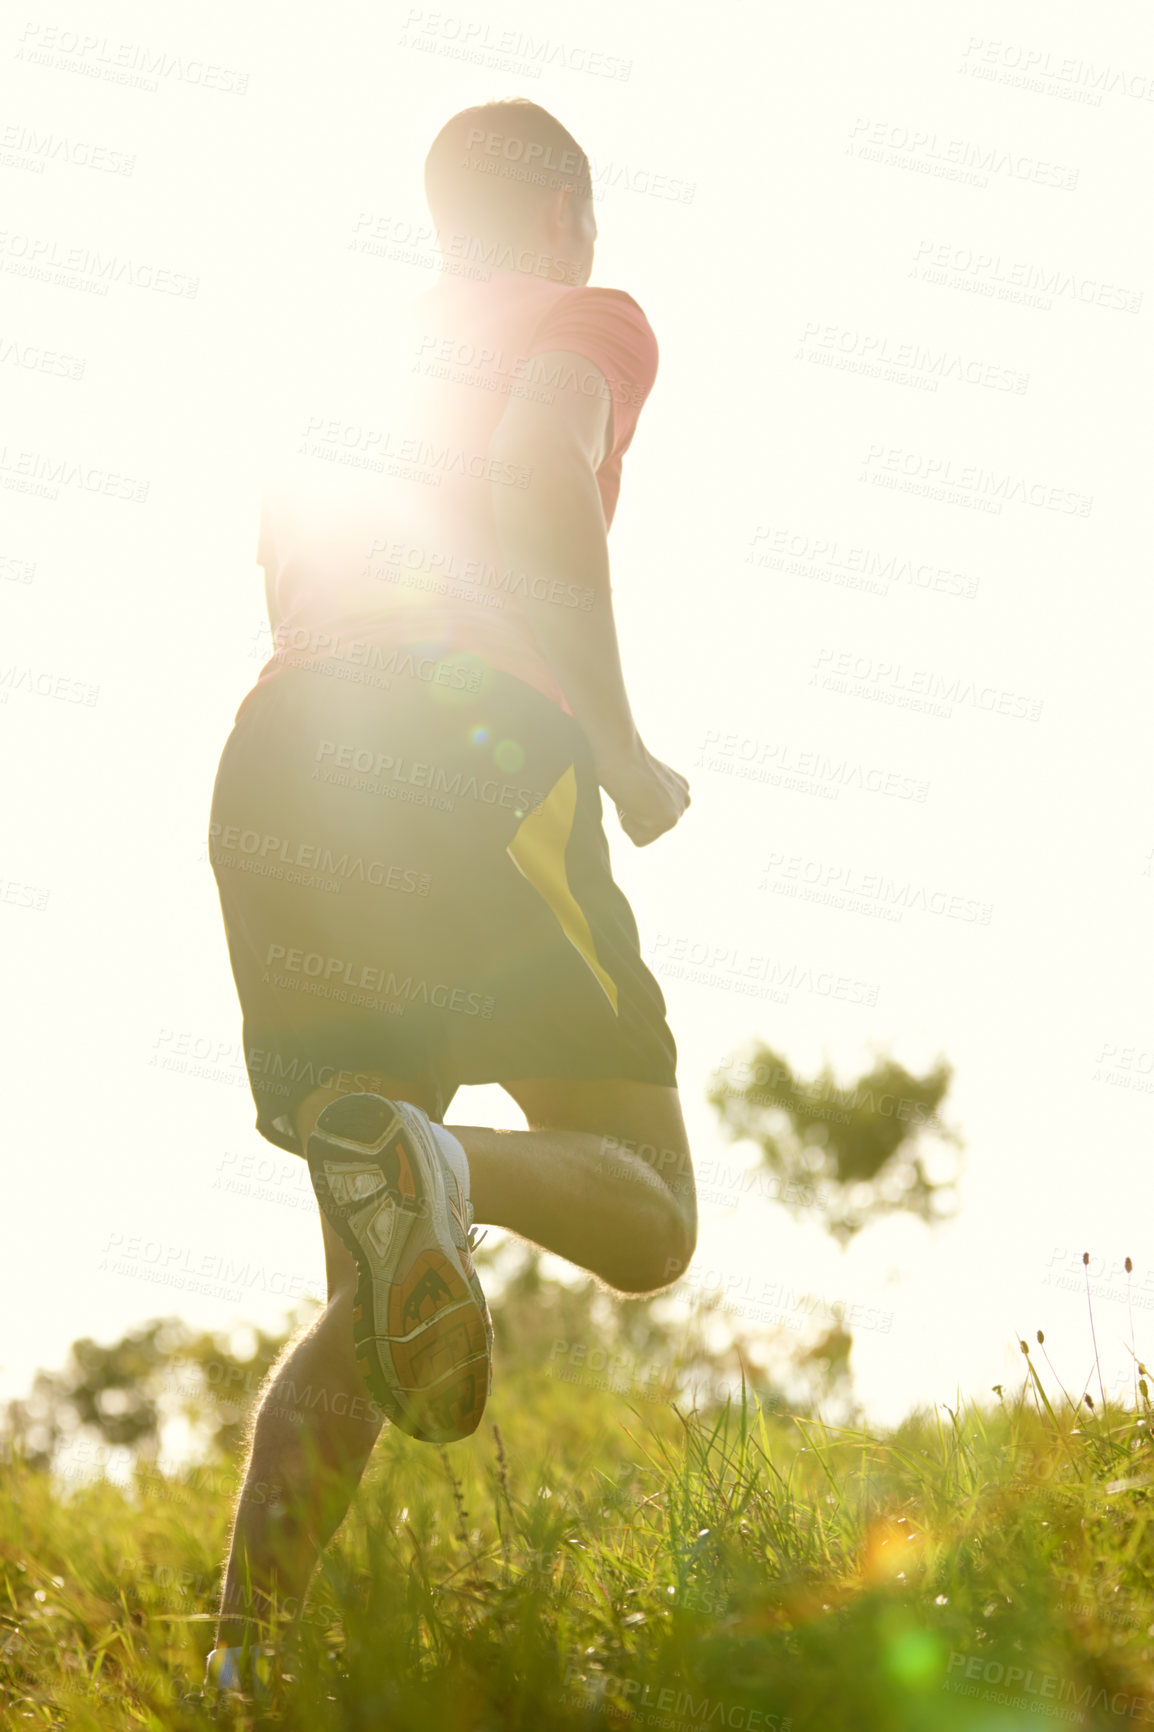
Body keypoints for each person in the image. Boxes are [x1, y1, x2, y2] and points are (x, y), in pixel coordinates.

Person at [203, 97, 697, 1695]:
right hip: (462, 743)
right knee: (649, 1209)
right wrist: (615, 741)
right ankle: (453, 1165)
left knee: (371, 1289)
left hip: (282, 765)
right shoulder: (584, 315)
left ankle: (235, 1675)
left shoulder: (338, 369)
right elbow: (536, 467)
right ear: (565, 206)